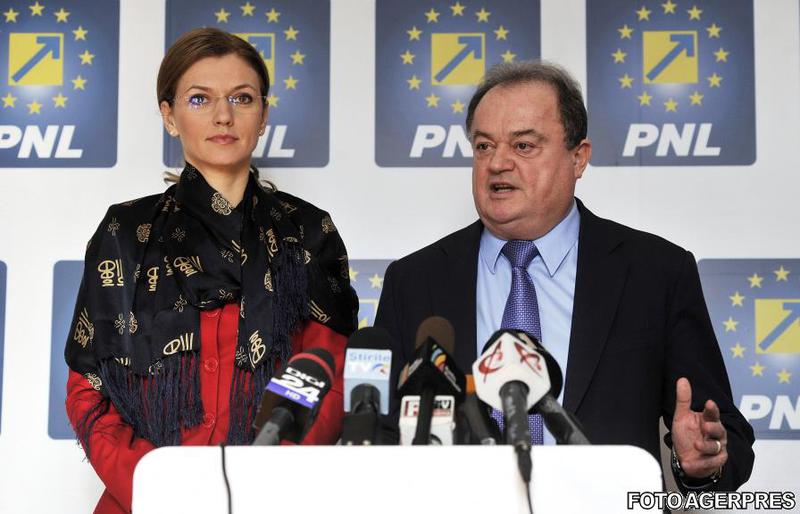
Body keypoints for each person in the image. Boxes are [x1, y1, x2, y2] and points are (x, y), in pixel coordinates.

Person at [375, 61, 754, 490]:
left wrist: (702, 460)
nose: (497, 163)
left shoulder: (655, 273)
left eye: (523, 145)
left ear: (579, 157)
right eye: (483, 146)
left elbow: (727, 438)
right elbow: (379, 437)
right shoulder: (414, 280)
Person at [65, 28, 357, 513]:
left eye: (242, 98)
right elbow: (88, 392)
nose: (224, 116)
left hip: (273, 500)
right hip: (145, 502)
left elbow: (327, 380)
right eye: (199, 99)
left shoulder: (307, 232)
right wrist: (162, 492)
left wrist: (258, 492)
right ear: (169, 116)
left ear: (263, 115)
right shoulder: (125, 232)